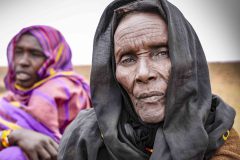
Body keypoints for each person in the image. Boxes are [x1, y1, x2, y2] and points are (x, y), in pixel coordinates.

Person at [58, 0, 240, 159]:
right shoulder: (85, 137)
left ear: (187, 59)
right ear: (112, 72)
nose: (143, 73)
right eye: (127, 59)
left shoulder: (217, 135)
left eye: (161, 53)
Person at [0, 25, 91, 160]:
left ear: (54, 59)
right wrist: (13, 136)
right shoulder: (10, 99)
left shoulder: (59, 90)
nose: (23, 61)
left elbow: (55, 149)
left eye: (35, 54)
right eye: (18, 52)